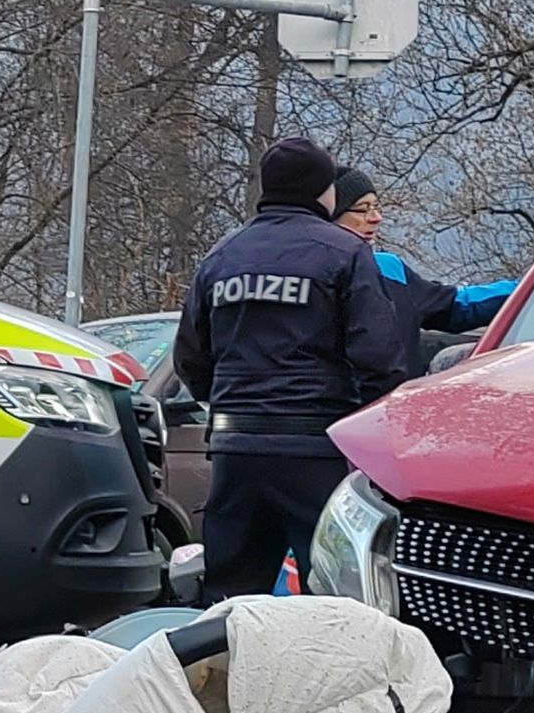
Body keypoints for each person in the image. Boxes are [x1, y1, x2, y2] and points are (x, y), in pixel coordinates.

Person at [174, 135, 373, 602]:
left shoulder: (221, 258)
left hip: (234, 449)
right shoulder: (344, 253)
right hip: (314, 448)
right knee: (333, 594)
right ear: (324, 191)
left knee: (229, 598)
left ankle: (225, 672)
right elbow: (378, 356)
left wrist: (233, 405)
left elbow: (190, 357)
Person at [330, 167, 516, 403]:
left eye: (376, 207)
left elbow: (456, 306)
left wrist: (531, 289)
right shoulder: (316, 274)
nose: (376, 217)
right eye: (362, 210)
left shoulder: (390, 268)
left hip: (393, 414)